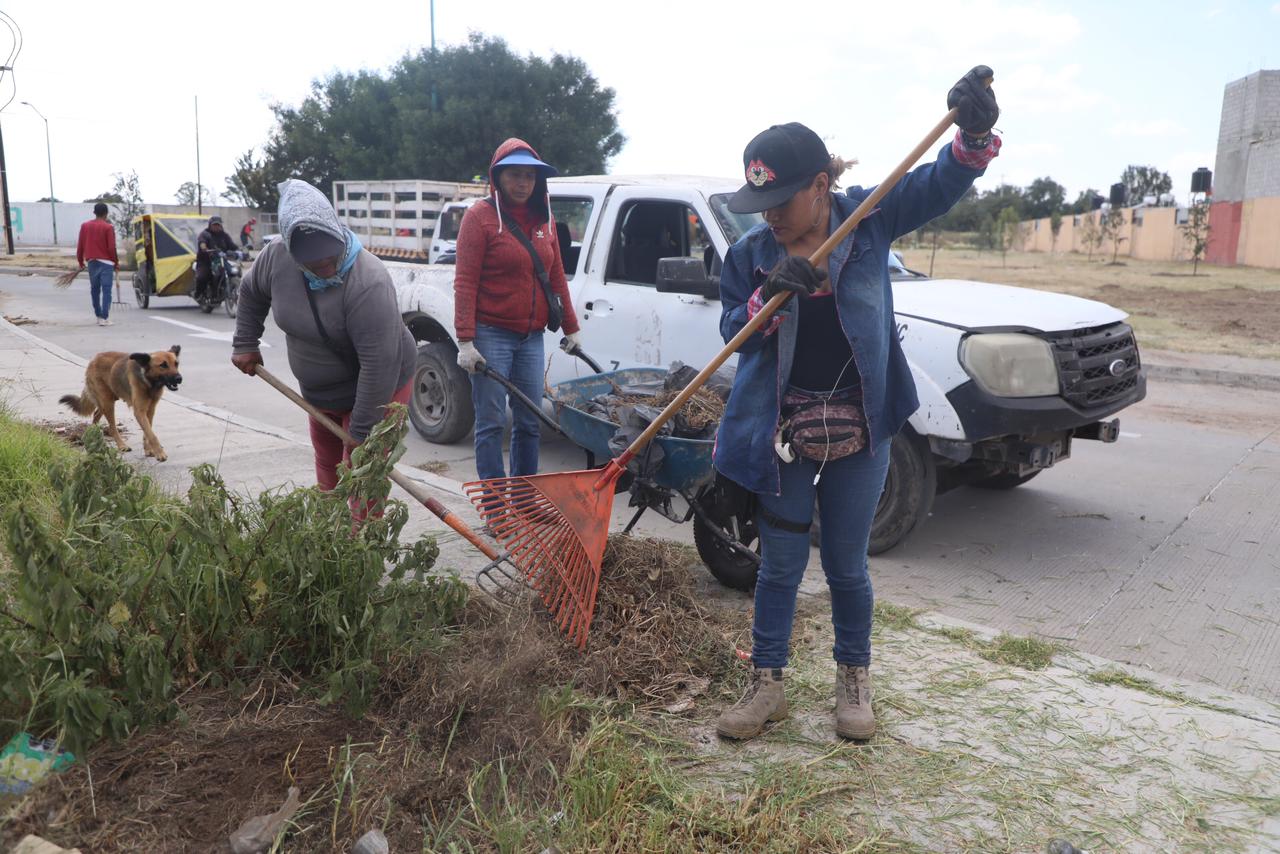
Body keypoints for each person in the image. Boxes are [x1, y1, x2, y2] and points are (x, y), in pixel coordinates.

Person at [713, 67, 1002, 742]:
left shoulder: (868, 224)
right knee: (780, 565)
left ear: (821, 186)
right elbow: (732, 334)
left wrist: (974, 133)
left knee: (846, 565)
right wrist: (763, 301)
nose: (772, 216)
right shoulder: (750, 254)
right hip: (783, 433)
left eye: (785, 199)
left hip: (860, 429)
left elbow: (939, 181)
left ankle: (853, 684)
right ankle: (766, 685)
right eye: (762, 203)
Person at [230, 179, 417, 493]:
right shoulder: (277, 256)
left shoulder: (369, 282)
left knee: (362, 478)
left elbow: (379, 365)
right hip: (319, 394)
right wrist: (245, 342)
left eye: (330, 260)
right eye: (314, 265)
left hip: (379, 388)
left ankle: (362, 538)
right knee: (328, 472)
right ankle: (329, 538)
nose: (326, 269)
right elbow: (251, 291)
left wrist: (362, 432)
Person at [453, 138, 581, 480]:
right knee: (492, 421)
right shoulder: (479, 219)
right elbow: (465, 282)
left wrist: (571, 328)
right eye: (514, 175)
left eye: (529, 176)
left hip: (531, 338)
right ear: (498, 178)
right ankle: (495, 507)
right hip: (491, 333)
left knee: (529, 420)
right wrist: (465, 340)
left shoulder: (545, 219)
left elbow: (556, 277)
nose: (523, 183)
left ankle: (525, 501)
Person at [75, 202, 119, 326]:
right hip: (106, 263)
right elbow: (111, 248)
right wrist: (115, 262)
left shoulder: (85, 226)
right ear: (106, 214)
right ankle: (104, 318)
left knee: (95, 290)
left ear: (94, 213)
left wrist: (80, 261)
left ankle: (98, 315)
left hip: (92, 262)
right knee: (106, 291)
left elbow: (80, 246)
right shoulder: (108, 227)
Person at [196, 215, 239, 301]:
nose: (216, 226)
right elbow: (202, 242)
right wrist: (204, 248)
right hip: (206, 261)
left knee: (234, 271)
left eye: (218, 225)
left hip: (221, 260)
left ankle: (227, 289)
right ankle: (199, 294)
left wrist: (241, 251)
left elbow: (232, 246)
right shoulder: (205, 234)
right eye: (214, 225)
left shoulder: (224, 235)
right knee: (202, 277)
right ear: (210, 225)